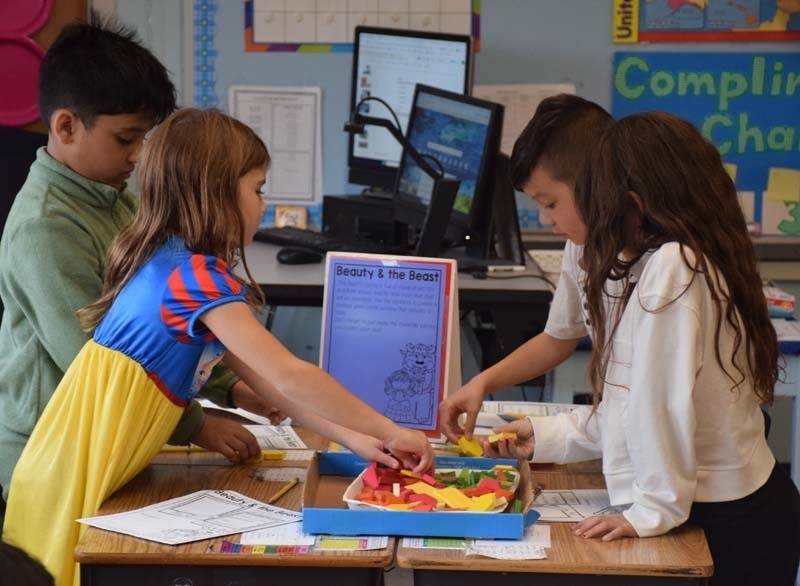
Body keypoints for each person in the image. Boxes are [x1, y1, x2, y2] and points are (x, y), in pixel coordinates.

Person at [2, 108, 435, 586]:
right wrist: (391, 429)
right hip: (73, 475)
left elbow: (271, 385)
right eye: (258, 189)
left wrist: (355, 439)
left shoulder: (174, 260)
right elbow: (291, 375)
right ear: (217, 191)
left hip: (76, 465)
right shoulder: (196, 279)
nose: (263, 205)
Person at [484, 112, 800, 584]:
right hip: (716, 509)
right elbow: (633, 406)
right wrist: (547, 436)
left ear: (631, 202)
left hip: (728, 522)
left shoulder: (673, 267)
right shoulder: (671, 258)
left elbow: (658, 411)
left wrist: (648, 512)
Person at [0, 18, 279, 514]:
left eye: (144, 136)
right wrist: (197, 425)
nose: (139, 154)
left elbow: (161, 326)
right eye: (125, 138)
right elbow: (97, 363)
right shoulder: (45, 228)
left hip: (113, 437)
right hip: (50, 456)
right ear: (66, 127)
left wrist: (229, 388)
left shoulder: (114, 199)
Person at [439, 93, 613, 440]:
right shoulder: (580, 246)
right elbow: (558, 337)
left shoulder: (658, 267)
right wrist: (483, 382)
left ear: (598, 183)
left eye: (549, 203)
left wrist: (549, 438)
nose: (545, 218)